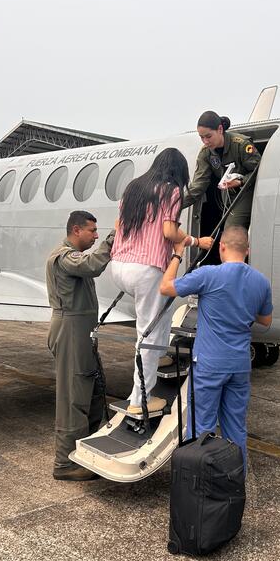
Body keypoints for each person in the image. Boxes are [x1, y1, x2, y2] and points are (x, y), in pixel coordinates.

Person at [159, 226, 272, 470]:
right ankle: (233, 485)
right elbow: (266, 320)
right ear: (247, 251)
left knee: (202, 428)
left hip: (210, 364)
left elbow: (166, 287)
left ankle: (203, 489)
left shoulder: (208, 274)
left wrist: (177, 254)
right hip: (240, 364)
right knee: (236, 428)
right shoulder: (261, 281)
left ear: (222, 247)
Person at [111, 148, 213, 414]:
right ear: (179, 172)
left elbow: (118, 222)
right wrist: (195, 241)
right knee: (147, 331)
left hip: (120, 264)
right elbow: (169, 231)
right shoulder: (171, 190)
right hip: (146, 268)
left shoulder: (134, 187)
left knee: (165, 308)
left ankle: (159, 354)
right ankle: (139, 401)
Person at [46, 211, 115, 481]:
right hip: (70, 332)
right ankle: (64, 464)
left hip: (83, 332)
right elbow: (94, 264)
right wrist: (114, 236)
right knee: (72, 399)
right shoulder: (64, 257)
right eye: (92, 231)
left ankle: (83, 451)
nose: (96, 235)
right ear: (76, 230)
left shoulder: (73, 257)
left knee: (94, 390)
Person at [183, 111, 263, 234]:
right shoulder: (206, 153)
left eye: (208, 136)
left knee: (230, 233)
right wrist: (175, 205)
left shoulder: (241, 145)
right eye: (201, 137)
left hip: (246, 192)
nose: (205, 141)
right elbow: (198, 185)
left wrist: (240, 181)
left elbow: (259, 171)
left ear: (220, 129)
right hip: (227, 197)